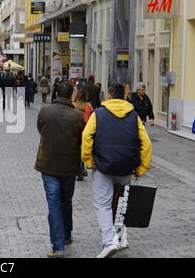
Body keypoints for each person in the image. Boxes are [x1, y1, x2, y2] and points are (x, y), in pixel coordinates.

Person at [81, 84, 152, 258]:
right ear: (124, 96)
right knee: (122, 204)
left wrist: (89, 161)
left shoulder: (98, 114)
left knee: (102, 204)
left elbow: (86, 137)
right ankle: (121, 239)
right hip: (127, 166)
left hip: (103, 166)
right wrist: (142, 168)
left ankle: (109, 242)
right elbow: (146, 144)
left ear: (110, 96)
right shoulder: (134, 116)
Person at [35, 82, 86, 258]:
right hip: (69, 165)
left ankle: (58, 246)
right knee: (66, 200)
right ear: (72, 95)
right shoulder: (78, 116)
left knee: (54, 203)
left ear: (56, 92)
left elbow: (41, 130)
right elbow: (82, 138)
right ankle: (66, 234)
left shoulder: (45, 111)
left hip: (48, 163)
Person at [72, 88, 94, 182]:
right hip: (86, 130)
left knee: (75, 150)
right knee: (83, 150)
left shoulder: (73, 105)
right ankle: (82, 167)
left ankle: (78, 168)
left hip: (74, 129)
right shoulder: (89, 106)